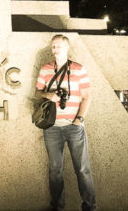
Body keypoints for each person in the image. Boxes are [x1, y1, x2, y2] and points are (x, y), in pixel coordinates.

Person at [35, 34, 97, 211]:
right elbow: (37, 92)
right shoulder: (46, 69)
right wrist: (49, 95)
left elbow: (87, 97)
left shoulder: (78, 69)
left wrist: (79, 119)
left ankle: (90, 206)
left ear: (67, 48)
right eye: (53, 46)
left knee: (83, 169)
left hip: (74, 127)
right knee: (55, 170)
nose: (55, 49)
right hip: (52, 127)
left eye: (58, 46)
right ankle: (57, 206)